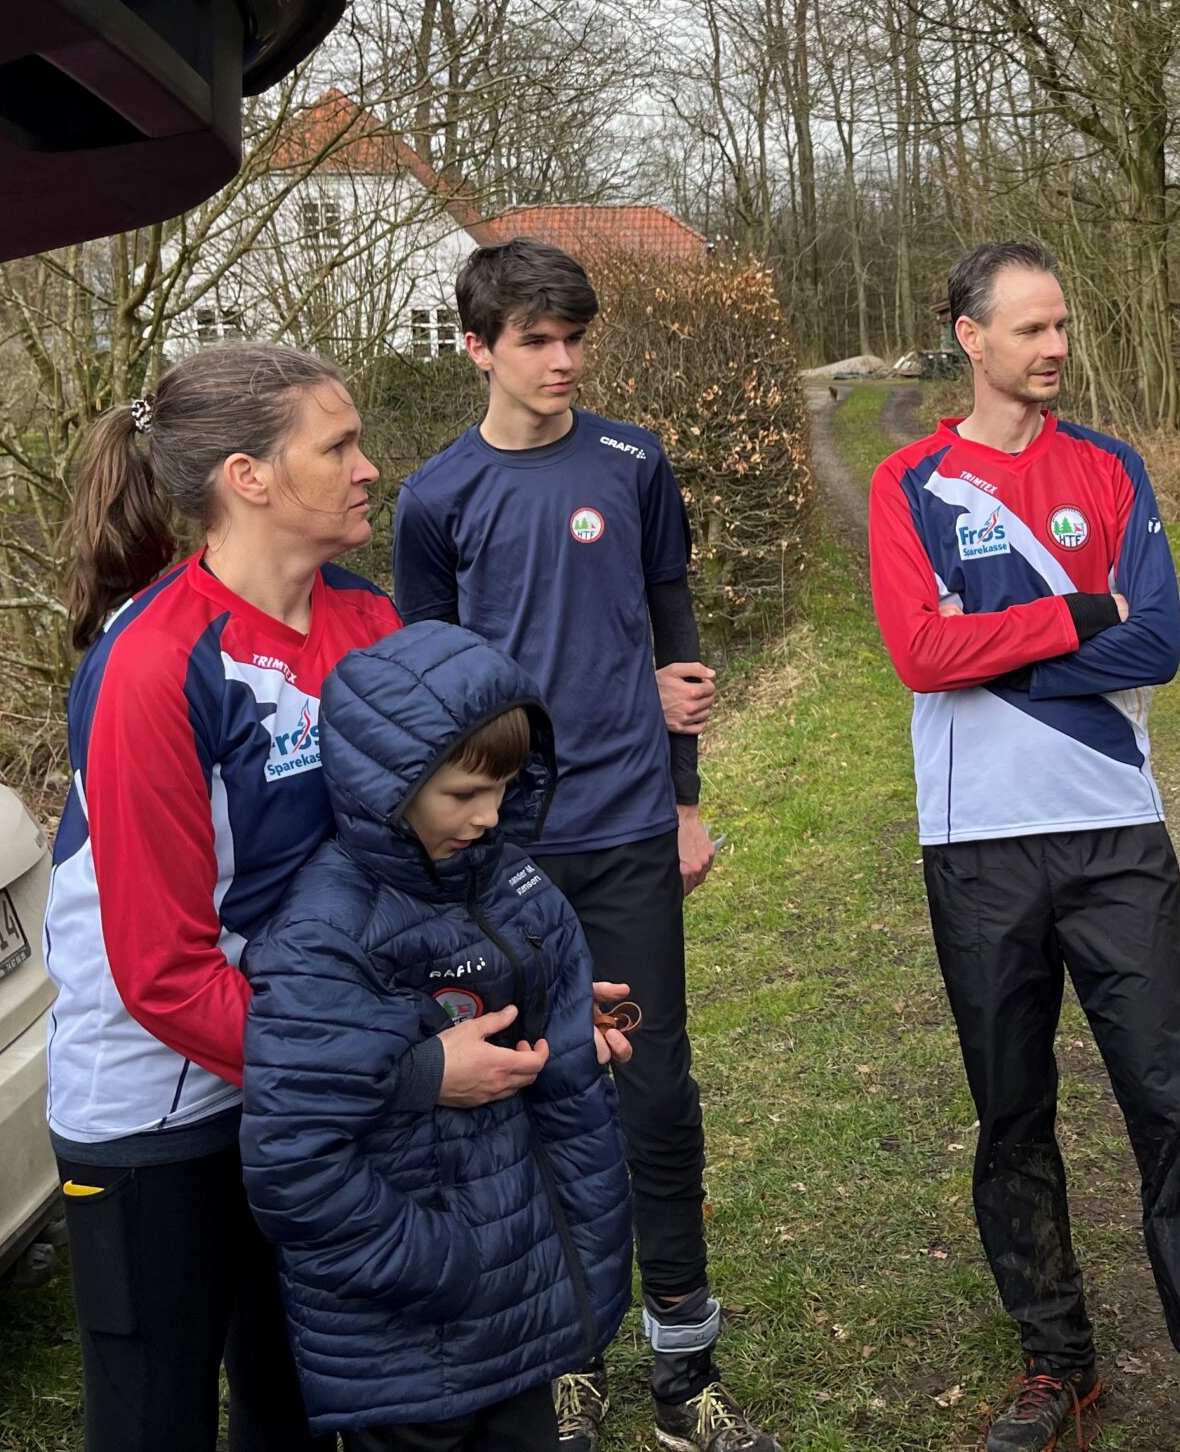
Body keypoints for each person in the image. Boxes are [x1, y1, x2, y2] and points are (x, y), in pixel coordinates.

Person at [48, 345, 557, 1452]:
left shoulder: (370, 622)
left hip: (318, 1074)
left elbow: (425, 854)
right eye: (338, 446)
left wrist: (531, 988)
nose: (370, 468)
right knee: (156, 1422)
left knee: (298, 1405)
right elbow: (162, 975)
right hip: (164, 1106)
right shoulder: (151, 665)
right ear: (250, 478)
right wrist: (403, 1068)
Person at [393, 239, 773, 1452]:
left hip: (626, 833)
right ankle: (566, 1359)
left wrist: (686, 800)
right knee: (533, 1098)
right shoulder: (435, 499)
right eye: (535, 342)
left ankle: (685, 1371)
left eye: (573, 339)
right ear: (477, 349)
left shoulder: (634, 462)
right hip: (500, 859)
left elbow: (674, 633)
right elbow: (426, 693)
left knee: (653, 1094)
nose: (561, 361)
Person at [867, 241, 1180, 1452]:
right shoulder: (909, 482)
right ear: (969, 337)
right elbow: (918, 653)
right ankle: (1055, 1362)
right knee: (1012, 1113)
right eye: (1031, 328)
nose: (1055, 347)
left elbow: (1158, 643)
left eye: (1062, 325)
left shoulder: (1110, 469)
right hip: (977, 842)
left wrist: (992, 644)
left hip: (1113, 831)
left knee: (1174, 1108)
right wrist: (1080, 612)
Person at [240, 621, 635, 1452]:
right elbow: (293, 1164)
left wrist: (571, 1031)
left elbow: (540, 1041)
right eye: (463, 795)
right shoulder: (327, 933)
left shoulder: (510, 883)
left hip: (519, 1309)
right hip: (416, 1339)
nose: (489, 817)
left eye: (504, 788)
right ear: (389, 783)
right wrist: (444, 1265)